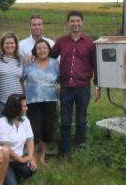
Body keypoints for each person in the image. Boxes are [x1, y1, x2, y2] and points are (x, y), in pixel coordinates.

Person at [50, 11, 100, 157]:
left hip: (83, 87)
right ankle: (65, 150)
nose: (75, 24)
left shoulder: (90, 43)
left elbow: (96, 65)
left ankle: (79, 148)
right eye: (72, 21)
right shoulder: (61, 42)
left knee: (81, 120)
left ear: (82, 23)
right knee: (65, 121)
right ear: (68, 23)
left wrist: (97, 86)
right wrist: (34, 55)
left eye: (78, 21)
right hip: (65, 87)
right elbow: (49, 56)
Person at [23, 38, 60, 164]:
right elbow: (21, 78)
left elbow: (60, 79)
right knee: (34, 130)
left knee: (48, 130)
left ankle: (42, 155)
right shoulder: (29, 63)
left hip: (50, 100)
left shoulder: (55, 63)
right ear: (35, 51)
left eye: (44, 48)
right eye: (39, 48)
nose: (42, 50)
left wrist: (59, 86)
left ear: (49, 50)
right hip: (33, 102)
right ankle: (32, 156)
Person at [0, 94, 37, 185]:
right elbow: (5, 147)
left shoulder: (25, 120)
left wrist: (30, 157)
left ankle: (13, 175)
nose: (27, 108)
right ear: (16, 109)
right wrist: (21, 160)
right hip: (4, 160)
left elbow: (30, 140)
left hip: (18, 159)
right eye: (24, 106)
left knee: (31, 169)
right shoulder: (2, 123)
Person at [0, 31, 24, 116]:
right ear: (2, 45)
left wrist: (24, 99)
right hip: (2, 100)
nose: (9, 45)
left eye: (12, 43)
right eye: (7, 43)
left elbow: (22, 81)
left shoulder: (21, 59)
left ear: (16, 44)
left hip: (17, 99)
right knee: (2, 126)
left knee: (16, 127)